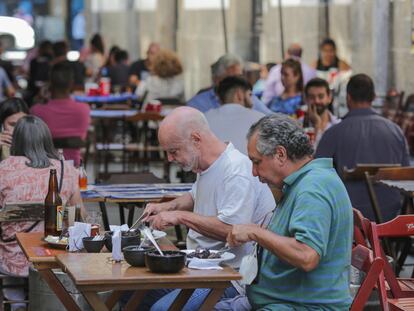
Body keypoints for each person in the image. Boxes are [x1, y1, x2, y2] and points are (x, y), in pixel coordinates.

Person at [136, 106, 275, 311]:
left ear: (196, 139)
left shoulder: (236, 171)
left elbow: (232, 231)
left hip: (229, 276)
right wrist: (168, 206)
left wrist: (180, 216)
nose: (169, 159)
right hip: (199, 265)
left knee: (161, 309)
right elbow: (195, 195)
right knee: (133, 292)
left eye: (173, 151)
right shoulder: (207, 164)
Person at [222, 114, 353, 310]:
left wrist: (254, 232)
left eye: (256, 162)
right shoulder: (304, 182)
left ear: (280, 155)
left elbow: (306, 256)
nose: (254, 172)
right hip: (279, 301)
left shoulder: (313, 187)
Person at [0, 115, 84, 310]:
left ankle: (16, 300)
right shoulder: (66, 169)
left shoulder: (3, 169)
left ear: (17, 139)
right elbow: (77, 216)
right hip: (54, 257)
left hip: (11, 259)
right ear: (48, 139)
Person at [315, 74, 410, 221]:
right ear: (373, 97)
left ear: (348, 98)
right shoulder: (395, 131)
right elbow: (405, 176)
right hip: (390, 217)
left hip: (350, 218)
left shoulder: (333, 133)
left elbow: (316, 177)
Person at [31, 62, 90, 166]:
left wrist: (40, 98)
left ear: (50, 84)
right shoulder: (84, 110)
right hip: (74, 167)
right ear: (72, 83)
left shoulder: (37, 111)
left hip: (45, 166)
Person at [187, 53, 273, 115]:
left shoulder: (249, 97)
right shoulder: (196, 105)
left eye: (239, 77)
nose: (238, 83)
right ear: (216, 79)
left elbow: (272, 119)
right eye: (231, 79)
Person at [205, 76, 264, 155]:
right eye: (250, 95)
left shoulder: (205, 118)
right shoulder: (260, 119)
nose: (252, 102)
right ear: (239, 94)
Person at [304, 78, 340, 147]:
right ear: (306, 99)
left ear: (329, 98)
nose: (316, 101)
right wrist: (317, 125)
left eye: (321, 96)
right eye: (312, 97)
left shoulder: (338, 125)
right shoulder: (298, 125)